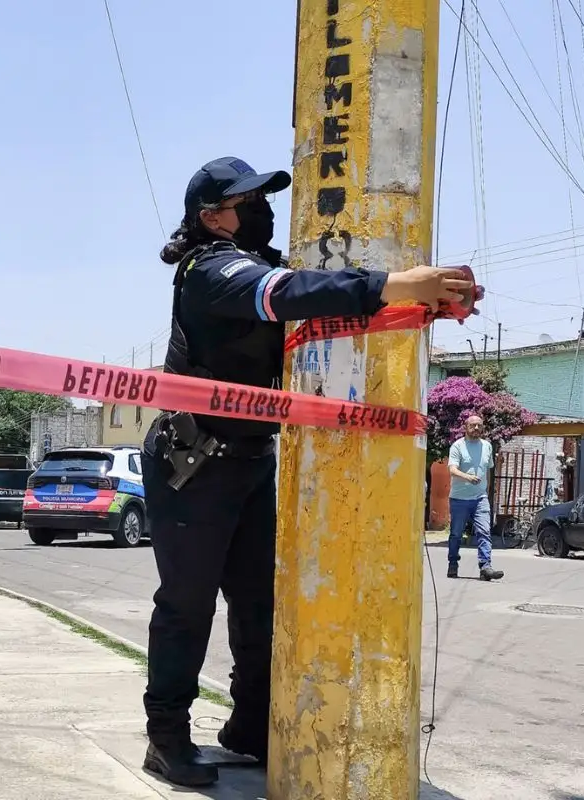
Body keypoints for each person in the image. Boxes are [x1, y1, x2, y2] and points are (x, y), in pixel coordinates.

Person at [140, 156, 476, 788]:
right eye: (247, 201)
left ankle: (248, 726)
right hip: (192, 464)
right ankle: (165, 737)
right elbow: (291, 296)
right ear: (212, 216)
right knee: (187, 606)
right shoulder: (209, 270)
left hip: (247, 462)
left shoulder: (257, 262)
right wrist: (401, 282)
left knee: (259, 606)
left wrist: (424, 305)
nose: (261, 210)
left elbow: (327, 308)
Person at [446, 415, 504, 581]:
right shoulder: (457, 446)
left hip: (480, 498)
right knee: (456, 534)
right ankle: (453, 564)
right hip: (459, 499)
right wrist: (467, 477)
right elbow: (452, 470)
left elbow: (489, 469)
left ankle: (485, 566)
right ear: (466, 427)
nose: (477, 428)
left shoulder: (487, 446)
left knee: (484, 531)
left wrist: (489, 487)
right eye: (473, 425)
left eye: (479, 425)